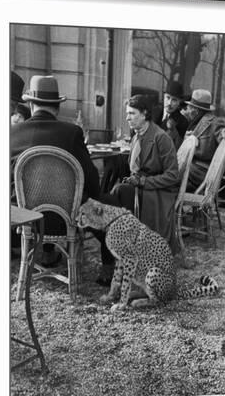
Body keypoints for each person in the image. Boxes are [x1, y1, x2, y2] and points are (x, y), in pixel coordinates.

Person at [10, 75, 114, 281]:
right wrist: (97, 197)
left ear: (31, 105)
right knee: (109, 204)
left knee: (41, 190)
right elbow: (91, 178)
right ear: (56, 107)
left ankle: (48, 254)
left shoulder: (13, 133)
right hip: (65, 218)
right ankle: (109, 268)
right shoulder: (72, 133)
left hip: (26, 217)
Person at [113, 95, 180, 252]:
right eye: (127, 113)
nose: (127, 118)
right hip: (142, 187)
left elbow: (173, 175)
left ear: (144, 114)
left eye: (132, 113)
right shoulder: (137, 135)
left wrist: (143, 182)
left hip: (158, 192)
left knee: (119, 191)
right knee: (116, 183)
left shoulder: (161, 137)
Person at [182, 89, 225, 190]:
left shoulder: (214, 122)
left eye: (189, 107)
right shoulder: (193, 122)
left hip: (200, 172)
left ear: (196, 110)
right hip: (192, 168)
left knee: (168, 172)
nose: (187, 110)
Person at [153, 80, 189, 149]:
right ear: (163, 97)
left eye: (174, 100)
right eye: (168, 97)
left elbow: (177, 147)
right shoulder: (153, 111)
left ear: (179, 102)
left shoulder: (182, 122)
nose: (169, 103)